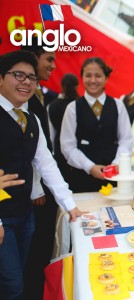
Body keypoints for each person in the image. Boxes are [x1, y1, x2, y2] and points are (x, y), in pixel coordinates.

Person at [0, 50, 84, 300]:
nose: (26, 82)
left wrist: (70, 205)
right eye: (18, 75)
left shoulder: (31, 119)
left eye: (31, 77)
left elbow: (47, 165)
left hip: (24, 215)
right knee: (12, 285)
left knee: (18, 279)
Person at [60, 57, 133, 193]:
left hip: (114, 178)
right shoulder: (72, 108)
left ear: (106, 78)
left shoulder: (118, 105)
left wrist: (117, 163)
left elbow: (126, 139)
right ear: (81, 77)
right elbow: (67, 145)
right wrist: (89, 166)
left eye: (98, 76)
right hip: (81, 178)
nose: (93, 80)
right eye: (88, 75)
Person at [21, 39, 58, 300]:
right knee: (35, 246)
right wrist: (36, 187)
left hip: (43, 178)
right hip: (31, 186)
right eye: (50, 59)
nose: (54, 66)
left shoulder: (38, 92)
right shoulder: (22, 96)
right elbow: (27, 149)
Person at [48, 73, 79, 180]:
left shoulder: (52, 106)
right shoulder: (79, 104)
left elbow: (51, 133)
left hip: (59, 149)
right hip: (79, 150)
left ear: (61, 86)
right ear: (77, 86)